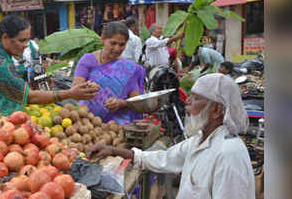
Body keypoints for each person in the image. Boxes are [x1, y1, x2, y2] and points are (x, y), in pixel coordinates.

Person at [88, 73, 255, 199]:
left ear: (216, 110)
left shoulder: (228, 155)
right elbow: (163, 159)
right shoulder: (199, 140)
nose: (187, 102)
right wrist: (113, 150)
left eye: (196, 99)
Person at [0, 15, 98, 128]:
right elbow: (28, 96)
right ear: (5, 38)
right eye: (22, 40)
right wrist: (70, 94)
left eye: (28, 40)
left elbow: (36, 78)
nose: (26, 45)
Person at [72, 21, 146, 125]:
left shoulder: (129, 69)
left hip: (116, 128)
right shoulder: (87, 60)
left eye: (122, 45)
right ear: (103, 39)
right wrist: (87, 88)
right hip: (87, 123)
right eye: (113, 43)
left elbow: (136, 102)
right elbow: (75, 92)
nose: (117, 49)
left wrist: (120, 103)